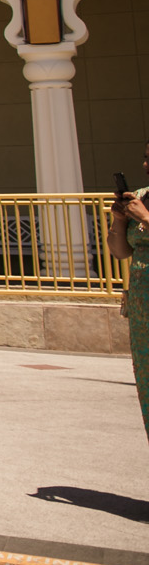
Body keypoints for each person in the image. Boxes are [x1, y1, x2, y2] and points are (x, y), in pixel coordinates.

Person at [107, 145, 149, 444]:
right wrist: (121, 219)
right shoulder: (142, 195)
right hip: (142, 308)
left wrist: (145, 217)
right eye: (146, 157)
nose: (146, 164)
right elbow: (121, 251)